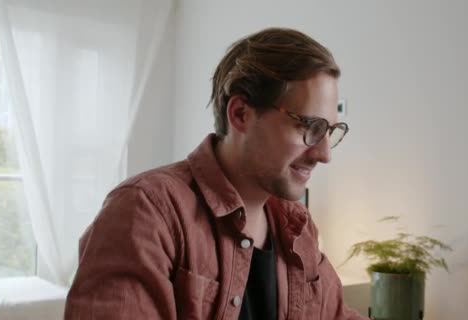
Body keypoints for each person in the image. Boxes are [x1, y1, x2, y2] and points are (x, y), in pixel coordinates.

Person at [65, 27, 365, 320]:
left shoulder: (298, 228)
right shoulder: (146, 211)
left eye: (329, 131)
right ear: (240, 114)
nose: (324, 154)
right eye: (309, 127)